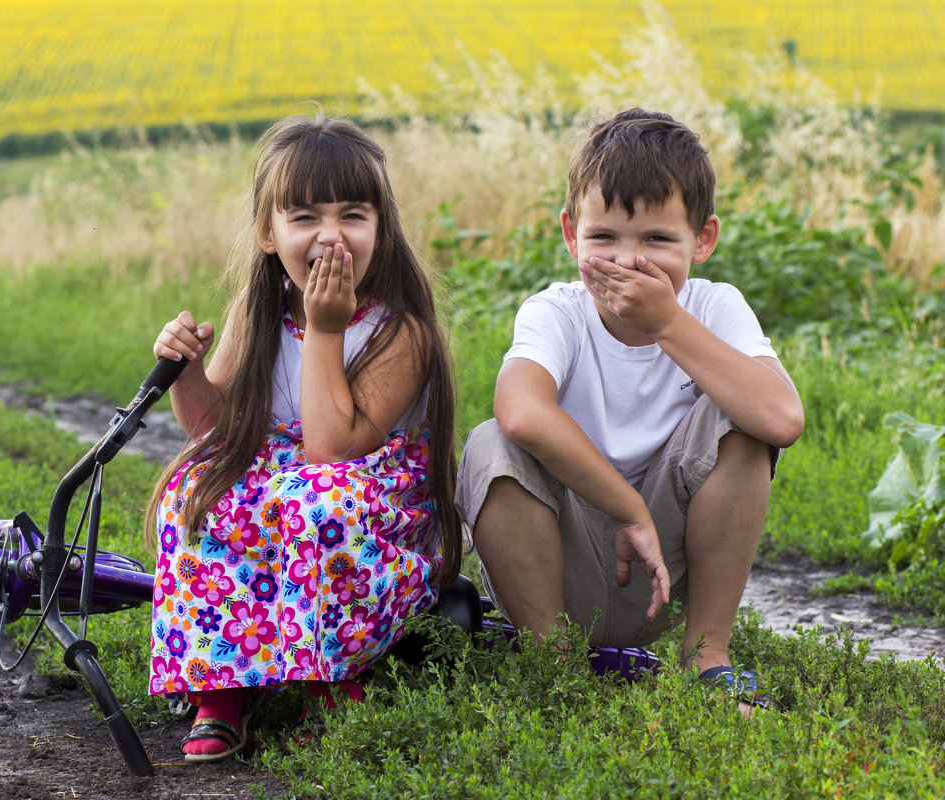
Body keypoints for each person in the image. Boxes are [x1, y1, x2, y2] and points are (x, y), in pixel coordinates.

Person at [455, 108, 804, 712]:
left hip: (665, 565)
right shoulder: (557, 311)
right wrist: (626, 505)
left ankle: (707, 658)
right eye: (604, 238)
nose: (628, 260)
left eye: (658, 239)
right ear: (571, 234)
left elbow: (781, 418)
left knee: (740, 422)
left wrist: (667, 322)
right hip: (564, 559)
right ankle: (554, 664)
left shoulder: (713, 306)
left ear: (704, 238)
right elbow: (519, 412)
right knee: (491, 444)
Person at [146, 112, 461, 761]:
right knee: (196, 489)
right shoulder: (257, 312)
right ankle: (224, 686)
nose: (330, 235)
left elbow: (332, 451)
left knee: (318, 499)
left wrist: (325, 328)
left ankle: (331, 682)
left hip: (374, 519)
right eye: (305, 217)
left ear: (381, 226)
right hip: (286, 491)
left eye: (352, 214)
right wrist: (187, 371)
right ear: (268, 232)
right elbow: (216, 428)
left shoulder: (397, 332)